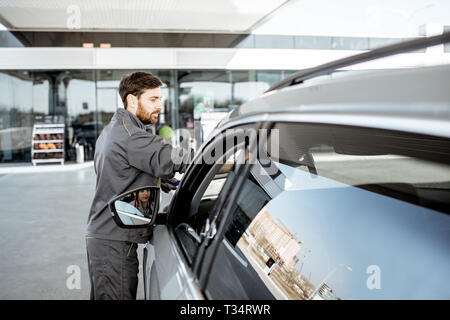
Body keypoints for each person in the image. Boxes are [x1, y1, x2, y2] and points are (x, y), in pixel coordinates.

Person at [86, 72, 192, 300]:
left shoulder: (115, 129)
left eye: (160, 99)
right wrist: (226, 157)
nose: (160, 106)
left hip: (107, 238)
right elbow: (176, 158)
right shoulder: (132, 136)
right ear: (132, 100)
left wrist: (161, 180)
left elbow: (122, 174)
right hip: (114, 242)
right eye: (153, 99)